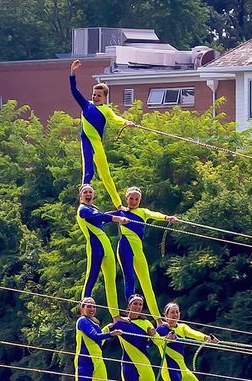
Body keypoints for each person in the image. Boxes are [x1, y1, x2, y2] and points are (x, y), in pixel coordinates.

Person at [69, 59, 133, 208]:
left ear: (104, 97)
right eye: (94, 94)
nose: (95, 97)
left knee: (106, 175)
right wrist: (72, 73)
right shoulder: (86, 105)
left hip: (98, 145)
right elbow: (74, 91)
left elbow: (116, 118)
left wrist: (126, 122)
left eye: (98, 95)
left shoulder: (106, 110)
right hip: (86, 142)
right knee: (88, 171)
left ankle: (118, 205)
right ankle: (84, 200)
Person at [104, 294, 167, 381]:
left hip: (145, 366)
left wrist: (165, 339)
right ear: (129, 306)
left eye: (140, 304)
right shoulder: (119, 322)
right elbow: (101, 335)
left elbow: (157, 341)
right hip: (127, 366)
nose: (138, 307)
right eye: (135, 304)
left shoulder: (147, 324)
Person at [115, 187, 176, 320]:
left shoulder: (143, 212)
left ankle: (157, 318)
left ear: (140, 200)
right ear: (126, 198)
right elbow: (103, 216)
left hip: (138, 249)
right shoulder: (121, 211)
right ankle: (131, 308)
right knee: (130, 277)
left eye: (136, 199)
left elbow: (156, 214)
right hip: (125, 247)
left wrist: (167, 218)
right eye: (131, 198)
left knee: (146, 282)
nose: (134, 201)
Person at [156, 302, 218, 381]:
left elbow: (193, 333)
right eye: (172, 312)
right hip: (170, 371)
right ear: (165, 315)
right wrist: (167, 339)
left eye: (177, 312)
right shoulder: (161, 330)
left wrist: (206, 338)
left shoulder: (182, 327)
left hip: (183, 370)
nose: (175, 314)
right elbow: (152, 342)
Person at [72, 297, 123, 381]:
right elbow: (94, 336)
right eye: (88, 306)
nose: (92, 309)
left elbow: (99, 342)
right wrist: (111, 334)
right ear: (82, 308)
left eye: (94, 306)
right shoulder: (82, 321)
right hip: (85, 362)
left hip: (98, 362)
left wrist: (108, 328)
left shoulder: (94, 323)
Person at [77, 184, 128, 317]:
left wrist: (122, 212)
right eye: (85, 192)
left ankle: (115, 315)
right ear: (80, 196)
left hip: (106, 245)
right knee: (92, 276)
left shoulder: (94, 209)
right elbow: (101, 217)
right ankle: (84, 311)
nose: (88, 194)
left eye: (90, 192)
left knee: (110, 280)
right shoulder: (83, 210)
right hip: (95, 246)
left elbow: (102, 218)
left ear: (93, 195)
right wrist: (117, 218)